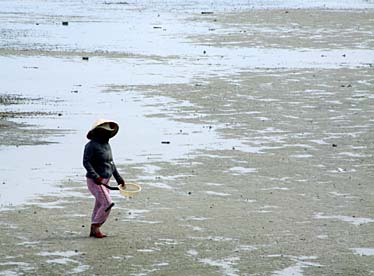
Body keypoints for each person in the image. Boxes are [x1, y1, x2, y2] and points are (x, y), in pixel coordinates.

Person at [83, 119, 125, 238]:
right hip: (95, 181)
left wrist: (118, 177)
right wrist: (96, 176)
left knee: (99, 204)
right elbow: (86, 162)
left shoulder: (106, 145)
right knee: (107, 203)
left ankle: (93, 229)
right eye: (104, 132)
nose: (106, 134)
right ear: (97, 132)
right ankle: (96, 227)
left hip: (106, 180)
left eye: (108, 132)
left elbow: (111, 162)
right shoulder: (90, 146)